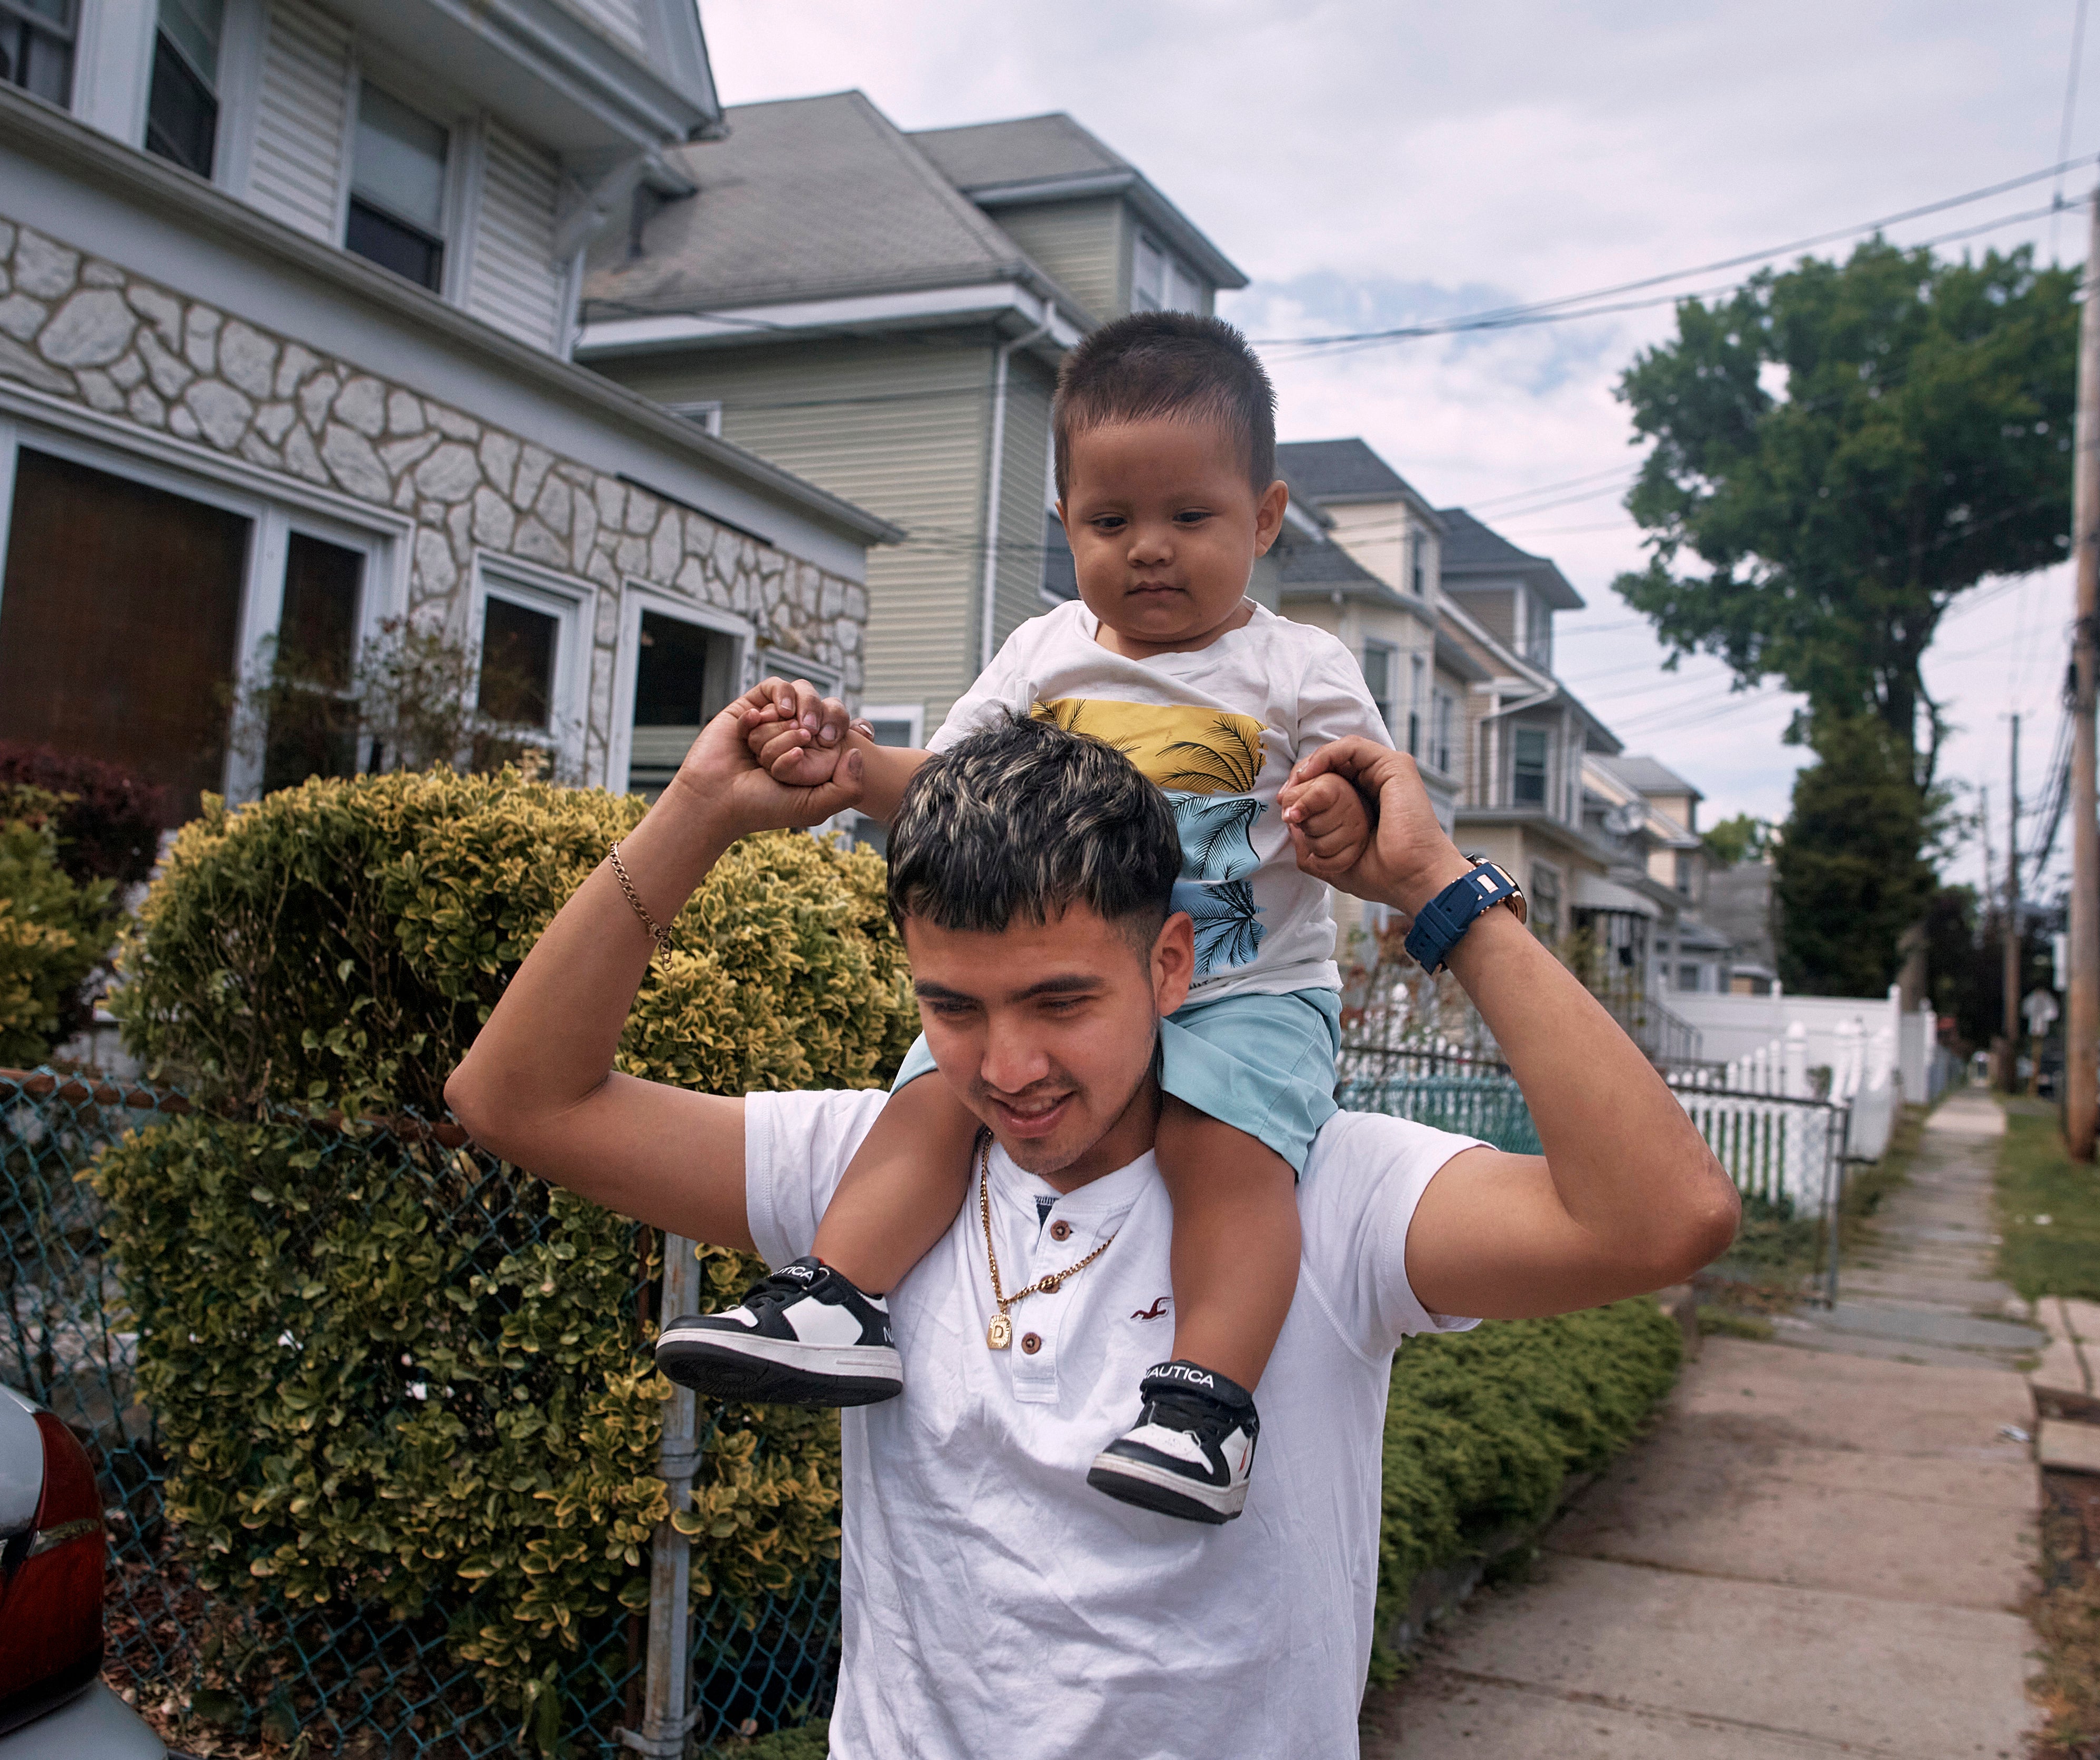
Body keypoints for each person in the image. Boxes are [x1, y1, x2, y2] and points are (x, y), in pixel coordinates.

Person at [444, 708, 1738, 1758]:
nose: (1008, 1067)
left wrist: (1441, 890)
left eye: (1062, 999)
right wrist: (697, 811)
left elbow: (1663, 1218)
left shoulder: (1322, 1192)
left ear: (1171, 964)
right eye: (952, 1007)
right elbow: (516, 1099)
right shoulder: (865, 1172)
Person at [652, 312, 1386, 1525]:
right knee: (932, 1099)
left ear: (1263, 517)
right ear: (1065, 528)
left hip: (1240, 985)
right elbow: (942, 787)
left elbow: (1372, 819)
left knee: (1229, 1154)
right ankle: (838, 1294)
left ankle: (1204, 1405)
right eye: (1110, 522)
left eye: (1190, 518)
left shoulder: (1296, 671)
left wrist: (1344, 830)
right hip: (1058, 985)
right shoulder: (1042, 652)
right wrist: (848, 764)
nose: (1149, 550)